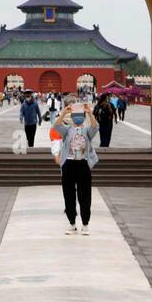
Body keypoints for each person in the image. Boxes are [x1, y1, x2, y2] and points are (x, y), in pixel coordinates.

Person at [53, 100, 99, 234]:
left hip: (83, 163)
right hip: (69, 164)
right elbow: (56, 126)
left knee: (85, 195)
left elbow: (95, 127)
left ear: (83, 117)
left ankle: (85, 224)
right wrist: (64, 113)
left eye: (80, 116)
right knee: (68, 194)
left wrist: (90, 113)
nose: (78, 118)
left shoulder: (86, 130)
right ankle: (72, 223)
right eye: (75, 115)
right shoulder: (67, 131)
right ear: (72, 118)